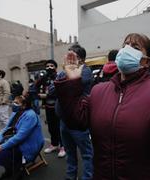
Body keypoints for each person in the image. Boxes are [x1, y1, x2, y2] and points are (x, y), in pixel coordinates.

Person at [55, 33, 150, 179]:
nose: (126, 50)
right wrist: (72, 83)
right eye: (125, 46)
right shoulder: (99, 90)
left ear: (147, 62)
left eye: (135, 47)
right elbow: (75, 120)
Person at [56, 44, 94, 180]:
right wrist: (66, 73)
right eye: (68, 55)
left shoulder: (86, 70)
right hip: (64, 121)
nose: (69, 59)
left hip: (78, 123)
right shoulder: (63, 72)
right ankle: (71, 176)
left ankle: (87, 177)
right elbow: (53, 89)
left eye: (73, 56)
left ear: (82, 60)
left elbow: (74, 86)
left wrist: (67, 73)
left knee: (87, 154)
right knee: (70, 153)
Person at [0, 95, 44, 180]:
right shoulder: (16, 112)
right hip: (16, 138)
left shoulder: (30, 115)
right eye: (14, 101)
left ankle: (17, 173)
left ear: (24, 105)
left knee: (5, 151)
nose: (13, 104)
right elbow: (6, 128)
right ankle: (9, 171)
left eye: (16, 103)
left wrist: (1, 147)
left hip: (29, 143)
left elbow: (20, 137)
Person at [36, 60, 65, 157]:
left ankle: (63, 146)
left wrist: (46, 96)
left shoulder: (59, 76)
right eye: (47, 66)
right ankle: (54, 144)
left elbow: (60, 91)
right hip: (48, 107)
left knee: (59, 127)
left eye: (51, 66)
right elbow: (36, 87)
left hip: (58, 106)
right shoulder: (44, 78)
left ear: (56, 67)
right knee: (51, 127)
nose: (49, 67)